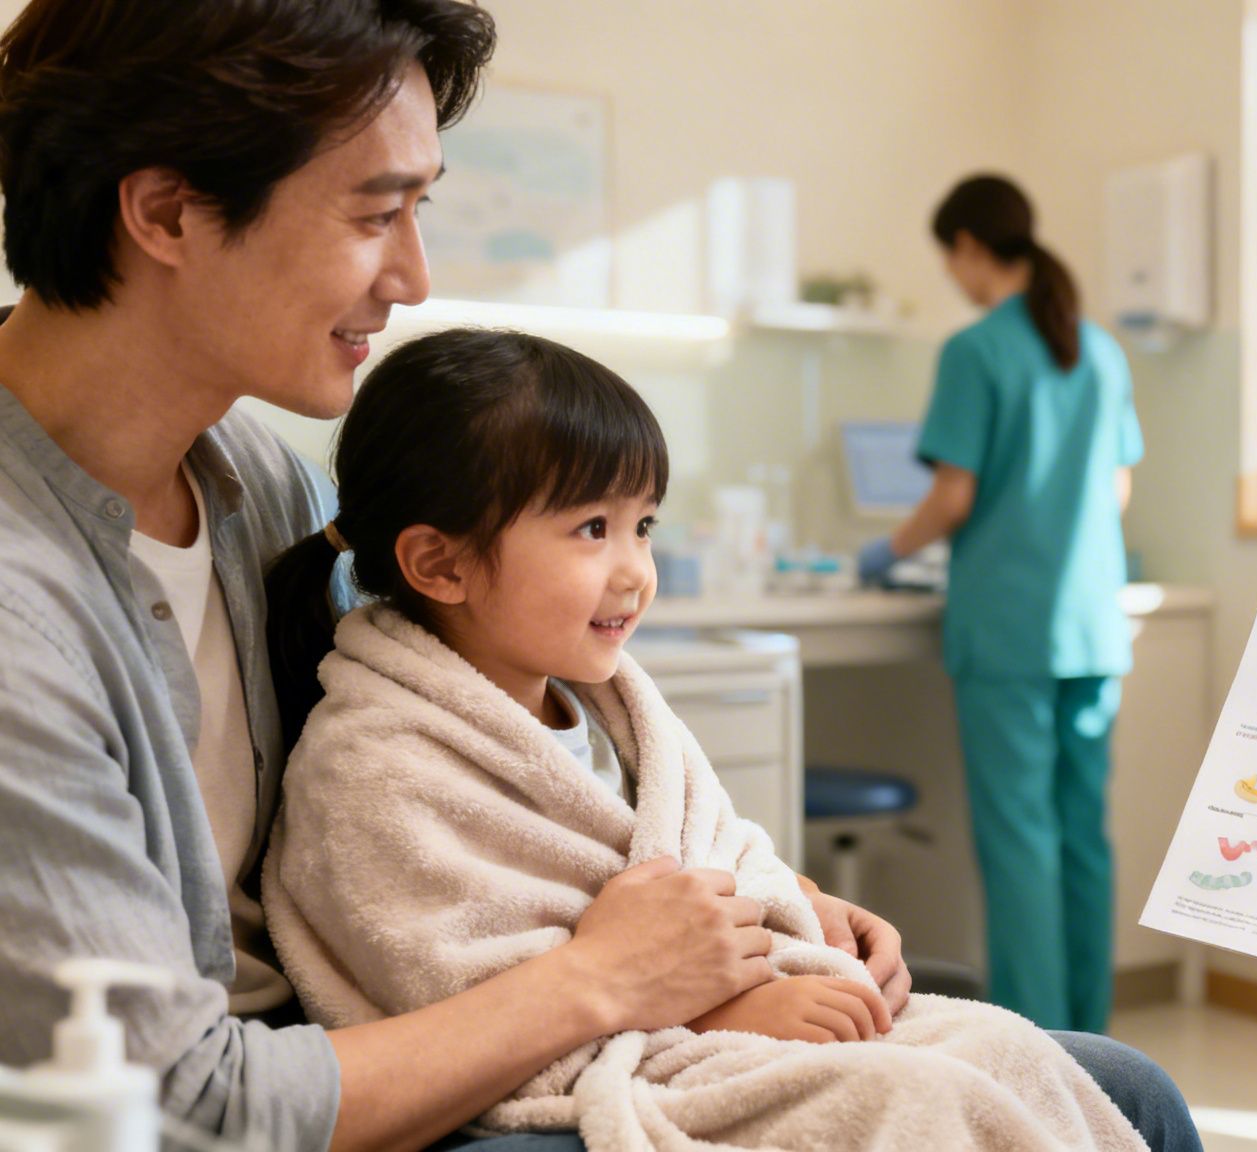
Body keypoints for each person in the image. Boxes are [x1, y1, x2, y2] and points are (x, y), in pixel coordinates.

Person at [0, 6, 1192, 1150]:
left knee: (1120, 1084)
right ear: (165, 211)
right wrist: (607, 982)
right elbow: (156, 1116)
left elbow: (503, 760)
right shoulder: (26, 620)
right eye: (376, 214)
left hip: (489, 1023)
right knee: (930, 1108)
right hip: (316, 1096)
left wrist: (772, 912)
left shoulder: (264, 489)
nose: (414, 275)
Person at [260, 328, 1169, 1149]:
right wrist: (727, 1011)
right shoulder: (374, 766)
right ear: (439, 563)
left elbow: (711, 853)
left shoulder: (613, 713)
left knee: (1012, 1046)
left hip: (704, 1019)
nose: (636, 572)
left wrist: (810, 905)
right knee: (911, 1101)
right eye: (591, 528)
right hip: (620, 1060)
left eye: (643, 525)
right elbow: (457, 997)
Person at [860, 174, 1144, 1035]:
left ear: (973, 248)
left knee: (1021, 839)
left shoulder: (976, 350)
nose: (955, 276)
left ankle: (1036, 1038)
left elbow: (952, 496)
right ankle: (1089, 1033)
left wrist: (883, 554)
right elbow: (1118, 488)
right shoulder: (1098, 348)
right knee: (1081, 837)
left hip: (1013, 631)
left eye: (953, 258)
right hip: (1093, 624)